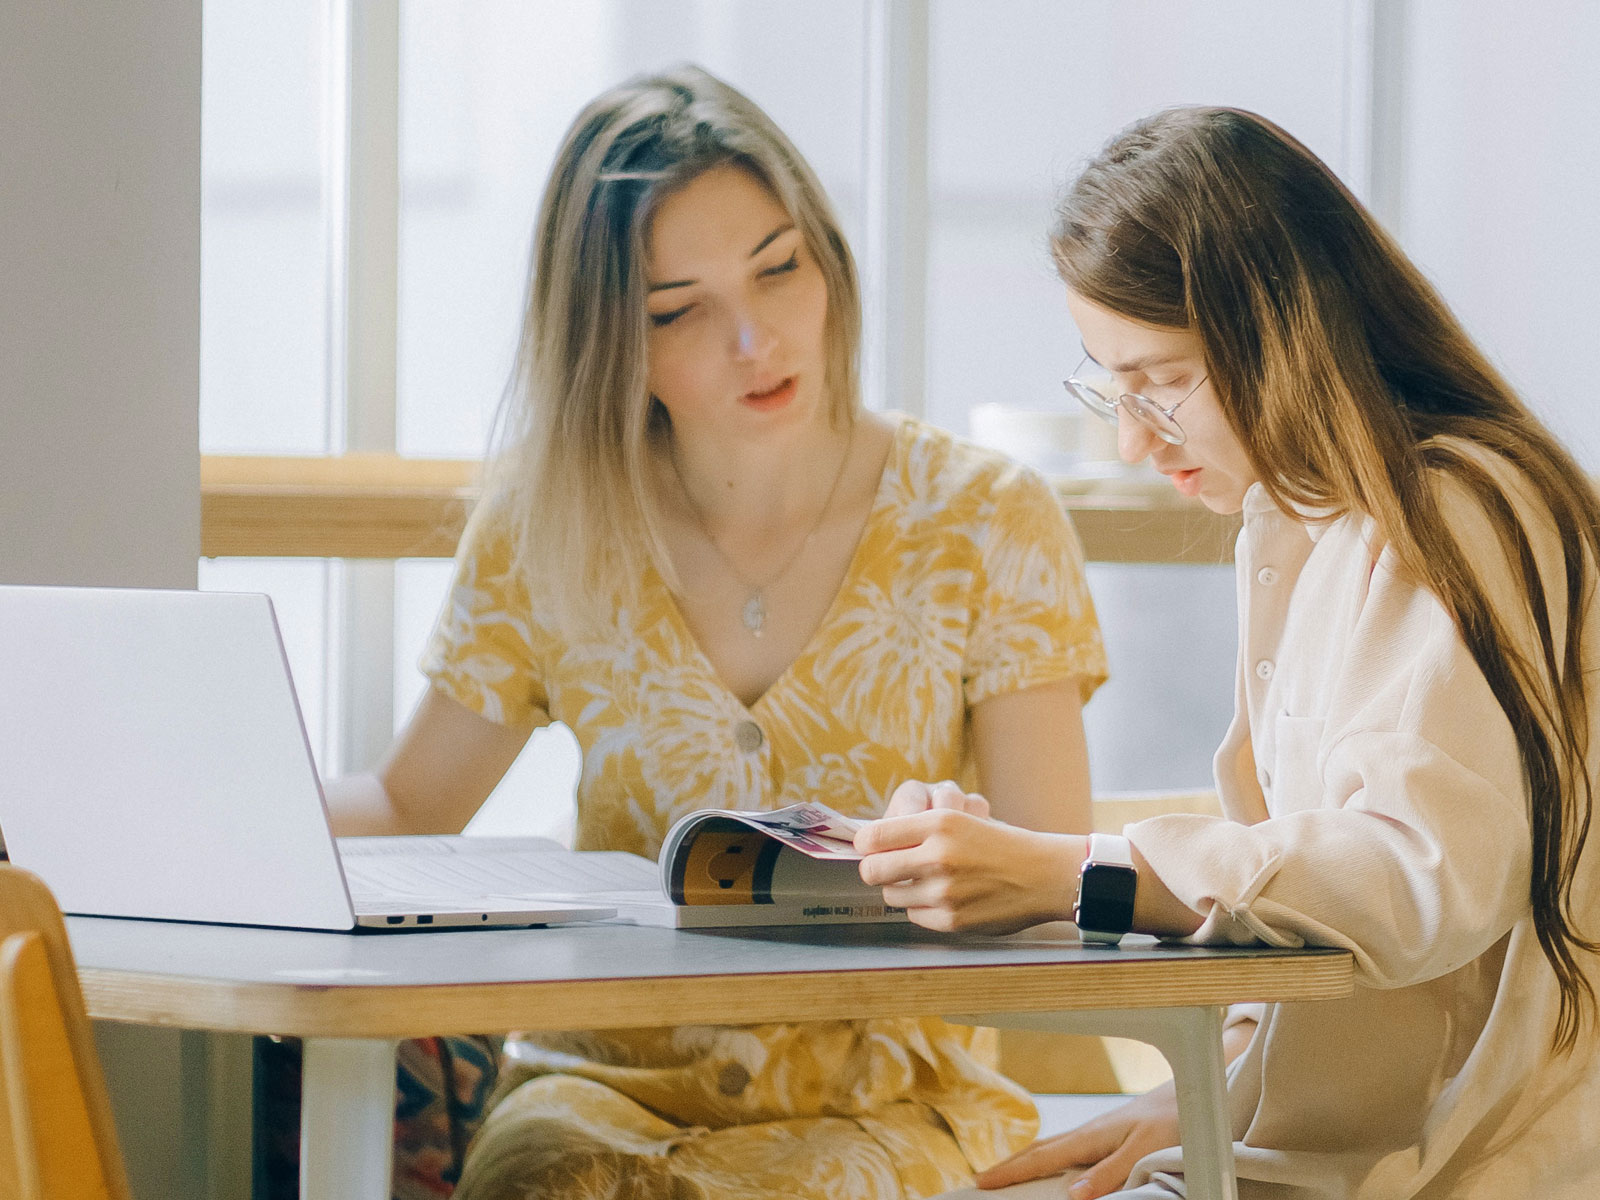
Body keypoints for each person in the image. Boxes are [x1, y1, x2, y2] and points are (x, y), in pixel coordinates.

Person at [316, 66, 1108, 1200]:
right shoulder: (550, 527)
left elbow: (1052, 879)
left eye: (779, 268)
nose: (756, 338)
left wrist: (955, 845)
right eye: (679, 308)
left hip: (885, 1103)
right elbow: (407, 808)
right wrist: (191, 811)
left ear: (825, 258)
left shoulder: (984, 520)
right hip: (597, 1089)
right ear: (608, 344)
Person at [856, 106, 1600, 1200]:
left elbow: (1412, 878)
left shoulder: (1461, 515)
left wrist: (1076, 873)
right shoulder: (1304, 523)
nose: (1132, 439)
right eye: (1112, 388)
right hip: (1317, 1144)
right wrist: (1209, 1090)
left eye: (1159, 382)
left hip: (1455, 1165)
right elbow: (1316, 911)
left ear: (1279, 332)